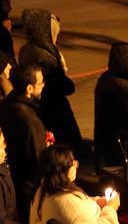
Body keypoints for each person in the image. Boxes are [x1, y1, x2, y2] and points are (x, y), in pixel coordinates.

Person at [19, 8, 83, 155]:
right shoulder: (44, 57)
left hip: (39, 106)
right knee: (65, 150)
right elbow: (64, 86)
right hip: (53, 110)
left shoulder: (25, 50)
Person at [0, 64, 46, 224]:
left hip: (7, 181)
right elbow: (39, 161)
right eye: (41, 82)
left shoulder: (1, 106)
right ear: (29, 88)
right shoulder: (30, 120)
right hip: (27, 188)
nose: (43, 85)